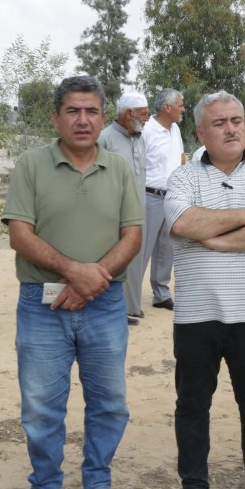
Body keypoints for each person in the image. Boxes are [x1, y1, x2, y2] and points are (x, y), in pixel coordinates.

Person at [3, 75, 143, 489]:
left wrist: (90, 281)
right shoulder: (31, 164)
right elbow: (20, 235)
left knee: (110, 404)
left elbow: (132, 236)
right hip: (41, 305)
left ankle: (97, 479)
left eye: (91, 111)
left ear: (103, 117)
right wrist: (75, 272)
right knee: (41, 409)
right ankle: (46, 482)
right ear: (56, 117)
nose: (82, 120)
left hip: (106, 303)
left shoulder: (119, 168)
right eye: (73, 111)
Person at [164, 90, 245, 489]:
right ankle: (194, 484)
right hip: (194, 316)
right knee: (191, 407)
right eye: (219, 123)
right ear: (201, 133)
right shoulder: (183, 177)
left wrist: (214, 239)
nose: (231, 129)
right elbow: (183, 223)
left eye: (236, 121)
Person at [98, 92, 150, 325]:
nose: (147, 119)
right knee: (113, 259)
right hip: (113, 214)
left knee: (135, 259)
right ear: (130, 114)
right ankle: (114, 310)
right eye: (144, 114)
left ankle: (132, 307)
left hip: (137, 212)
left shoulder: (139, 138)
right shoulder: (104, 139)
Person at [142, 88, 185, 311]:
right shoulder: (146, 130)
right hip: (149, 197)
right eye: (180, 105)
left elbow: (181, 158)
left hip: (173, 198)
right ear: (167, 108)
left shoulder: (175, 129)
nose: (183, 109)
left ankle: (161, 294)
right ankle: (129, 298)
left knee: (167, 249)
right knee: (142, 248)